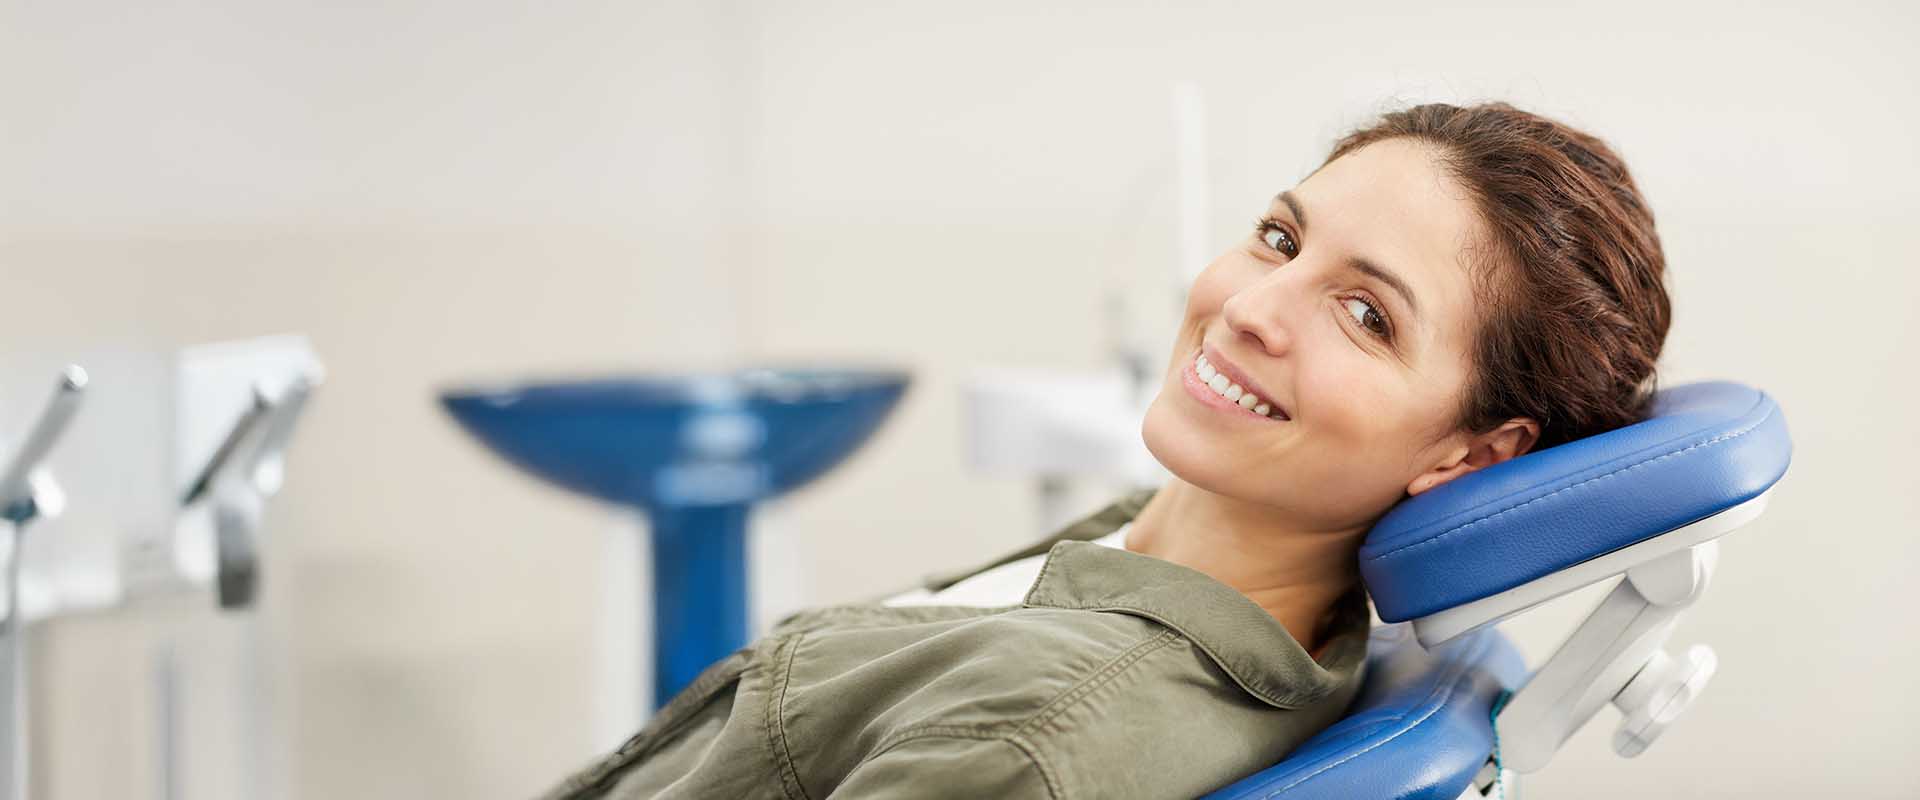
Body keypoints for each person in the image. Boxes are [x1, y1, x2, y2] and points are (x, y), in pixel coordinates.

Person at [541, 101, 1672, 799]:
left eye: (1365, 313)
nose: (1251, 308)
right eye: (1280, 237)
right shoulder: (1166, 565)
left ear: (1470, 458)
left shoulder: (1035, 744)